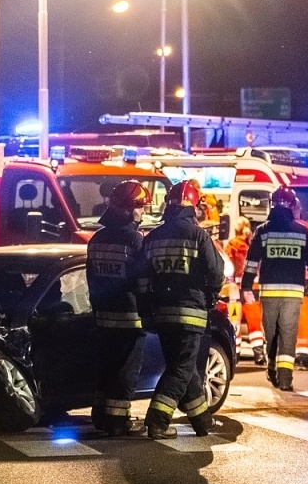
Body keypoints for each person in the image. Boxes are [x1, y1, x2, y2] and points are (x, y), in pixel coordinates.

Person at [137, 178, 225, 439]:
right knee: (181, 369)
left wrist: (147, 308)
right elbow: (216, 272)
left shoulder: (152, 238)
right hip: (191, 314)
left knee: (183, 368)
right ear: (193, 206)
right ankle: (157, 421)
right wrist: (210, 296)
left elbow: (142, 279)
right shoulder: (198, 235)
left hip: (162, 315)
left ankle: (202, 421)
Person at [240, 187, 308, 392]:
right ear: (293, 206)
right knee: (288, 334)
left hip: (269, 293)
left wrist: (246, 287)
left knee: (271, 334)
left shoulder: (263, 231)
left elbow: (251, 262)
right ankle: (285, 379)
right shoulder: (303, 232)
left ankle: (272, 368)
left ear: (272, 205)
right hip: (293, 293)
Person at [86, 179, 149, 436]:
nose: (143, 212)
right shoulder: (134, 240)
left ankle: (100, 416)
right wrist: (148, 312)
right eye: (140, 207)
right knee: (125, 373)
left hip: (103, 317)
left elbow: (91, 279)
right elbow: (142, 282)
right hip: (130, 318)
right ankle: (117, 421)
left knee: (107, 369)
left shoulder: (97, 239)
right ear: (127, 209)